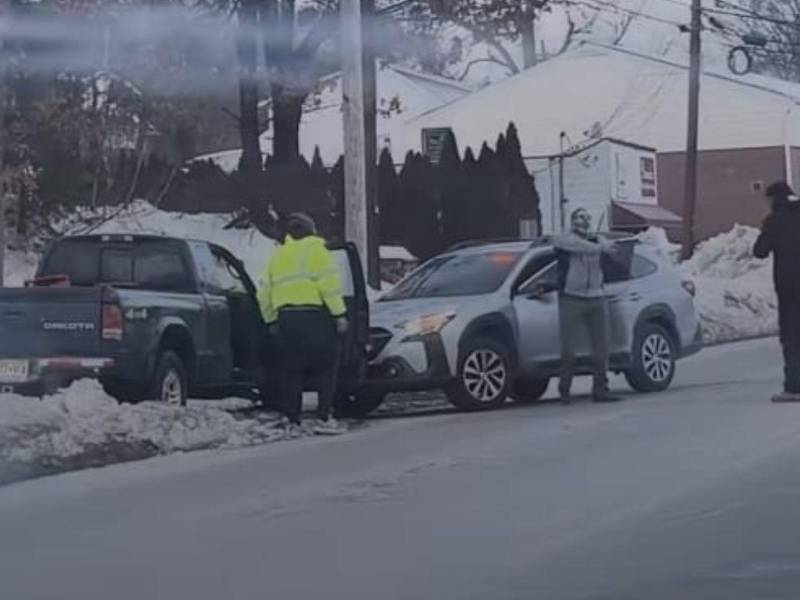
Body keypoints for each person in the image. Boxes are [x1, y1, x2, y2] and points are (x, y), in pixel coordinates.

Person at [257, 213, 349, 436]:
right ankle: (324, 417)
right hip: (315, 316)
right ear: (312, 230)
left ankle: (292, 419)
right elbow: (329, 286)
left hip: (287, 319)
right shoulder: (317, 251)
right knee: (326, 367)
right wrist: (339, 315)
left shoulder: (278, 256)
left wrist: (271, 320)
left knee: (291, 370)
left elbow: (264, 293)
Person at [553, 207, 620, 404]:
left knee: (601, 349)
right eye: (580, 217)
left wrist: (607, 248)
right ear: (572, 220)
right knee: (569, 349)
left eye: (586, 218)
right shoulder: (564, 240)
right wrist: (601, 247)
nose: (583, 222)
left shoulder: (597, 241)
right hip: (571, 298)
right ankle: (564, 390)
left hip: (597, 297)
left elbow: (609, 258)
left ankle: (601, 390)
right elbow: (576, 246)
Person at [753, 181, 800, 402]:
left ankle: (794, 387)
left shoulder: (774, 221)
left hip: (789, 288)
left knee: (792, 336)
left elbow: (759, 251)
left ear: (774, 199)